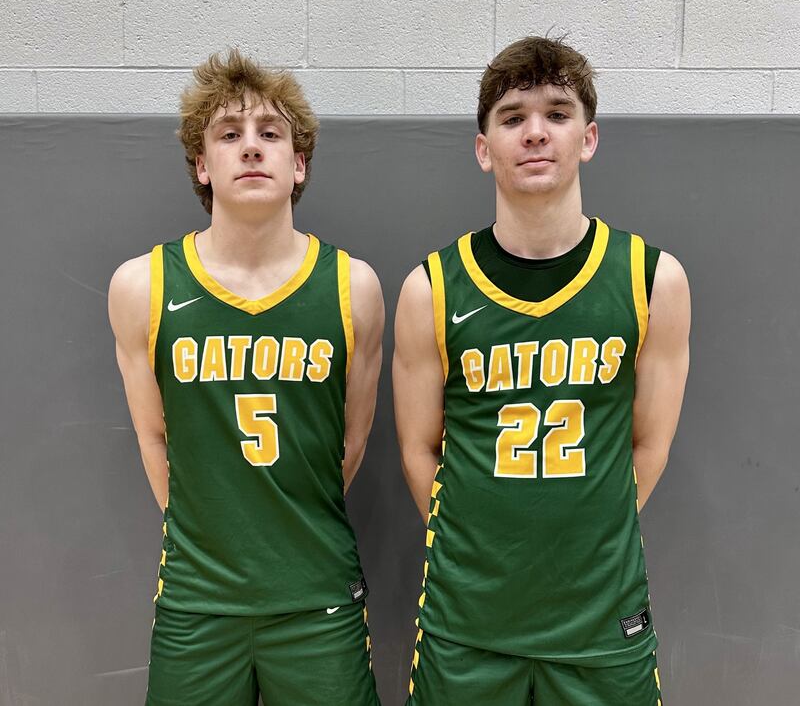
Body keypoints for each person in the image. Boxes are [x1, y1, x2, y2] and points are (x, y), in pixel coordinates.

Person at [393, 36, 690, 705]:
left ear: (588, 138)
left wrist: (582, 536)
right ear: (483, 148)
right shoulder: (432, 289)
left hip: (599, 619)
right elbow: (418, 450)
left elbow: (650, 444)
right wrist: (484, 549)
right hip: (468, 621)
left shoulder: (651, 280)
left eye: (557, 113)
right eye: (512, 117)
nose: (535, 132)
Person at [108, 49, 383, 705]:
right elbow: (155, 439)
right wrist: (219, 538)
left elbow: (347, 445)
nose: (252, 148)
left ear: (299, 163)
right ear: (203, 164)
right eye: (229, 134)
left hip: (316, 592)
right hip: (199, 599)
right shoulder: (142, 286)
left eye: (271, 134)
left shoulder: (354, 288)